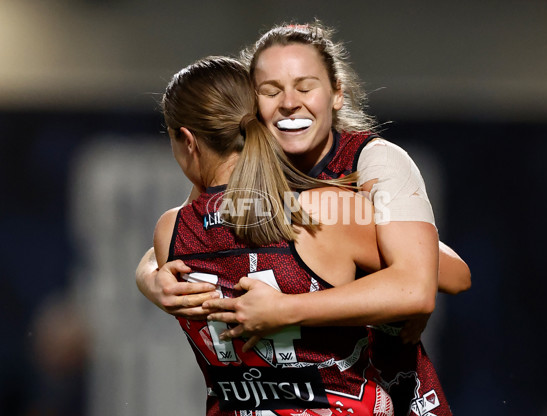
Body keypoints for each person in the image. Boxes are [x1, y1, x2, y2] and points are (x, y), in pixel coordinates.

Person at [138, 21, 469, 414]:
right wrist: (148, 279)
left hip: (391, 385)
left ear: (337, 93)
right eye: (271, 90)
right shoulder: (305, 195)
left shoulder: (371, 163)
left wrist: (287, 309)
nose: (290, 102)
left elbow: (431, 281)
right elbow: (190, 229)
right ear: (250, 107)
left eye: (305, 86)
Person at [154, 55, 400, 415]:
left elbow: (209, 212)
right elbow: (433, 276)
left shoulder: (170, 232)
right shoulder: (326, 210)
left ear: (188, 141)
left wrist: (145, 278)